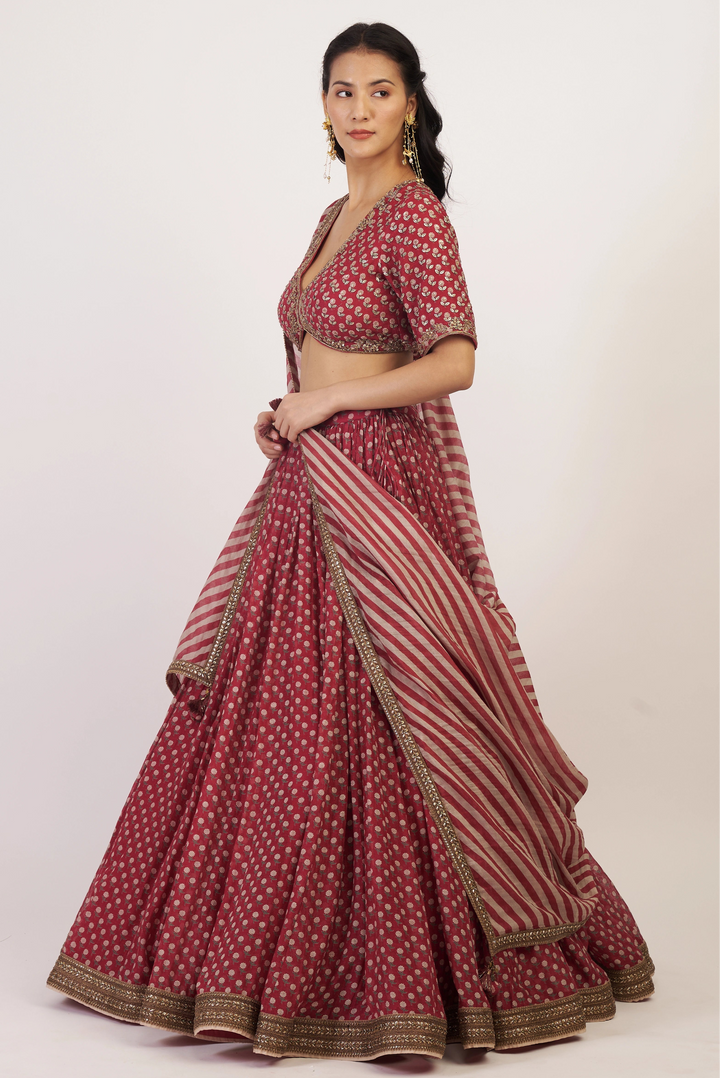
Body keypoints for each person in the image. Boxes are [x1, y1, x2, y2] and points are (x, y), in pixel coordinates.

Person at [47, 22, 654, 1061]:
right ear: (324, 107)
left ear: (411, 104)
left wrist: (329, 409)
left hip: (378, 484)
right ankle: (247, 960)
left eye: (381, 89)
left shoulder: (415, 217)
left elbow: (456, 361)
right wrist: (296, 408)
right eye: (343, 90)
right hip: (312, 482)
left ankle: (418, 971)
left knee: (399, 701)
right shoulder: (334, 214)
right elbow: (327, 357)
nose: (361, 108)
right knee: (274, 705)